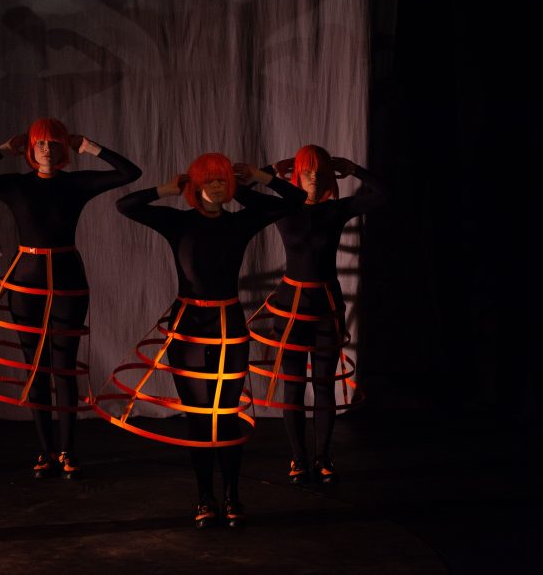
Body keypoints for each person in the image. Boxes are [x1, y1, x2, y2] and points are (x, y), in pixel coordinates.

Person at [104, 153, 304, 528]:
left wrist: (257, 180)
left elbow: (293, 202)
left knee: (225, 417)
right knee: (198, 418)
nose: (217, 186)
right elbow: (125, 204)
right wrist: (166, 189)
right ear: (196, 186)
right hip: (190, 329)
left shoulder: (242, 221)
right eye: (210, 181)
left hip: (229, 326)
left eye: (222, 180)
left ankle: (232, 496)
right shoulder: (177, 222)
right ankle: (204, 498)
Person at [0, 117, 140, 479]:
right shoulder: (17, 185)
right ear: (30, 149)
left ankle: (67, 451)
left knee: (63, 367)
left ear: (62, 149)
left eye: (54, 142)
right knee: (35, 367)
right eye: (40, 142)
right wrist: (2, 150)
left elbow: (128, 172)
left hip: (68, 278)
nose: (46, 148)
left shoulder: (76, 183)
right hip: (26, 280)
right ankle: (44, 452)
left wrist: (89, 146)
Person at [247, 145, 388, 484]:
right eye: (306, 169)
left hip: (326, 307)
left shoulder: (336, 211)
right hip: (290, 307)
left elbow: (384, 193)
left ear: (328, 175)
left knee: (323, 386)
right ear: (296, 173)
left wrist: (353, 168)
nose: (313, 175)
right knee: (293, 387)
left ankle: (323, 459)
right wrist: (269, 169)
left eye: (319, 169)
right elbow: (240, 194)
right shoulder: (283, 209)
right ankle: (298, 460)